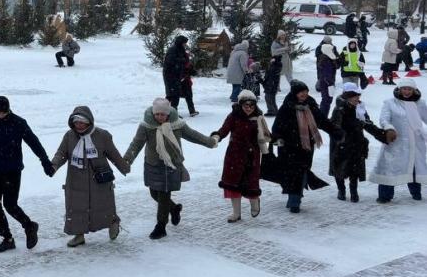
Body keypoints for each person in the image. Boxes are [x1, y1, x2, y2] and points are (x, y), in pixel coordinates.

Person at [124, 98, 217, 239]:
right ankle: (174, 209)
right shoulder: (146, 126)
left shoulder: (177, 125)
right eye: (157, 114)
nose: (160, 117)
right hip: (153, 164)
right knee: (154, 194)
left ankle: (161, 226)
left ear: (168, 114)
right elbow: (136, 144)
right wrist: (126, 160)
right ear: (153, 113)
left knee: (163, 195)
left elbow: (193, 135)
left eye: (163, 114)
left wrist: (210, 142)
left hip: (171, 164)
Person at [0, 95, 53, 253]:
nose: (0, 115)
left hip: (12, 171)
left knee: (10, 205)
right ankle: (7, 238)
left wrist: (45, 161)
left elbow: (34, 143)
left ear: (8, 110)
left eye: (3, 112)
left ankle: (29, 226)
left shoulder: (19, 123)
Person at [49, 105, 130, 247]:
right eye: (76, 122)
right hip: (76, 180)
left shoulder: (102, 135)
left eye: (82, 122)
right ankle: (79, 236)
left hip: (99, 179)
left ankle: (113, 223)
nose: (79, 126)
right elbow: (61, 153)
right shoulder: (69, 136)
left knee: (104, 205)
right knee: (76, 208)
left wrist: (123, 166)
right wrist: (53, 166)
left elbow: (113, 154)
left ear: (89, 122)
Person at [270, 80, 341, 213]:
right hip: (289, 147)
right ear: (295, 93)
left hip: (307, 146)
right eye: (301, 92)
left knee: (302, 172)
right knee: (294, 173)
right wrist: (277, 139)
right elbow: (277, 126)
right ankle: (294, 201)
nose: (304, 94)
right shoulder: (287, 107)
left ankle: (295, 195)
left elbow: (322, 121)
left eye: (306, 91)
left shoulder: (311, 106)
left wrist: (334, 131)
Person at [211, 90, 271, 222]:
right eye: (246, 105)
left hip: (252, 156)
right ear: (240, 105)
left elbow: (266, 134)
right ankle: (236, 213)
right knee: (233, 184)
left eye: (251, 105)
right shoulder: (233, 116)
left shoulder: (258, 118)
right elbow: (224, 130)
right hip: (234, 155)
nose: (249, 108)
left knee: (251, 183)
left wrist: (276, 140)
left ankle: (255, 202)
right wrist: (217, 136)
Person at [369, 84, 427, 203]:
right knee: (389, 168)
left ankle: (416, 193)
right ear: (399, 89)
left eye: (409, 89)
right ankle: (385, 196)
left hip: (415, 143)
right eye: (404, 89)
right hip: (396, 141)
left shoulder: (420, 104)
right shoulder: (390, 103)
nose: (406, 91)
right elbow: (384, 119)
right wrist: (389, 128)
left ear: (414, 90)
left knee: (414, 167)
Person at [330, 83, 387, 203]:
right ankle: (341, 190)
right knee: (339, 168)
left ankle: (354, 192)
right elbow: (335, 127)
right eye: (354, 96)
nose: (357, 99)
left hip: (357, 142)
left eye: (358, 96)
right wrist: (347, 133)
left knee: (354, 169)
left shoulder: (360, 108)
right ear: (347, 96)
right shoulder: (339, 109)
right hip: (342, 144)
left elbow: (368, 124)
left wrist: (382, 135)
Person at [162, 35, 188, 112]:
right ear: (180, 42)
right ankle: (170, 111)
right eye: (184, 43)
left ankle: (166, 110)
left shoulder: (181, 49)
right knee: (173, 94)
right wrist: (181, 60)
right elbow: (170, 61)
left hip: (177, 75)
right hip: (170, 75)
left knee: (174, 94)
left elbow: (185, 59)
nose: (185, 44)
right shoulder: (173, 50)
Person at [314, 35, 339, 117]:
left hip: (328, 79)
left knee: (327, 100)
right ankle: (322, 117)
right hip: (327, 82)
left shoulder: (329, 55)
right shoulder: (325, 57)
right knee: (326, 100)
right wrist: (330, 84)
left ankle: (323, 116)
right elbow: (326, 74)